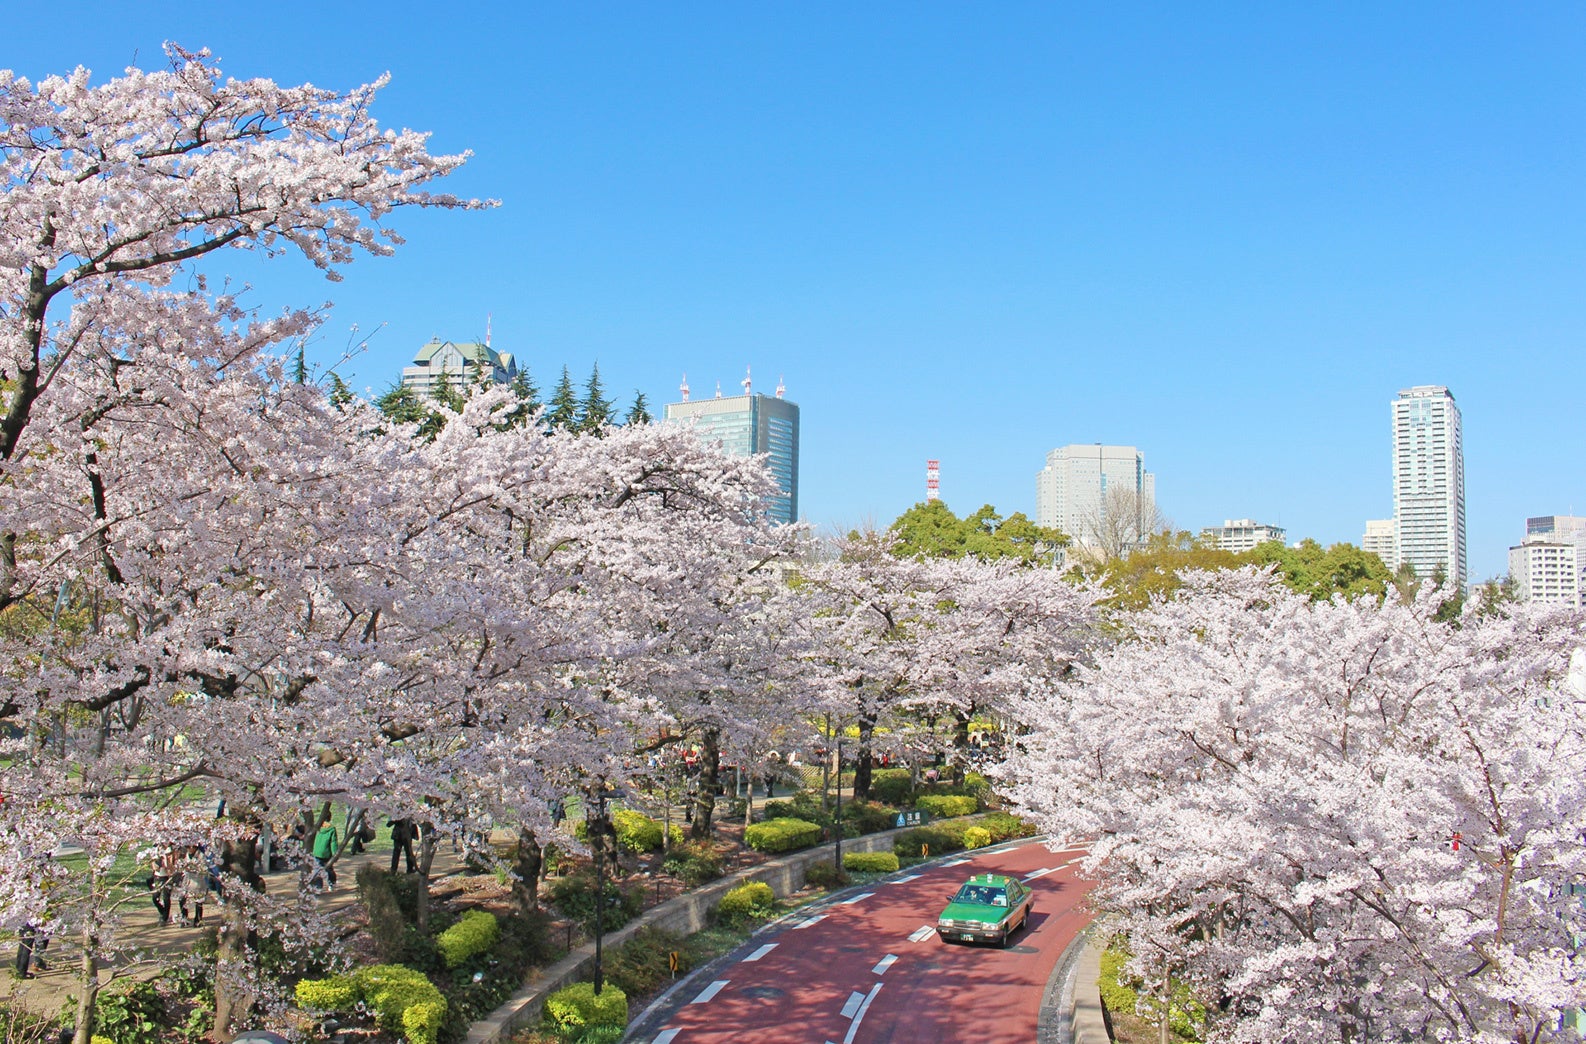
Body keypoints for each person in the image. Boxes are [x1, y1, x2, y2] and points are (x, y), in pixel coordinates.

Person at [177, 845, 209, 926]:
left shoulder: (201, 856)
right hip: (187, 880)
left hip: (198, 880)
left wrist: (193, 867)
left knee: (198, 900)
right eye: (188, 847)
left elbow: (204, 868)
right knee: (182, 898)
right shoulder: (186, 855)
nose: (190, 849)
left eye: (192, 847)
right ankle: (184, 917)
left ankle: (198, 919)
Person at [150, 848, 178, 924]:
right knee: (155, 897)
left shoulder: (171, 851)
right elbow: (153, 865)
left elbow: (171, 867)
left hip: (167, 877)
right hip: (157, 876)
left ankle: (164, 918)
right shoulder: (155, 850)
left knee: (166, 898)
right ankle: (163, 913)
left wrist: (166, 860)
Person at [311, 819, 339, 889]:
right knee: (329, 869)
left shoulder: (317, 826)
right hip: (326, 853)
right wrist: (335, 854)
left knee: (317, 870)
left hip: (316, 852)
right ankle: (331, 883)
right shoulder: (332, 829)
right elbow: (333, 842)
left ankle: (318, 887)